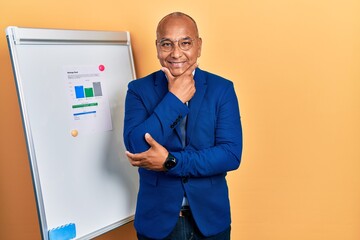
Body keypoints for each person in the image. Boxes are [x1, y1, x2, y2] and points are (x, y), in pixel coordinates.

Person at [123, 12, 243, 240]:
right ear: (157, 47)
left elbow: (230, 154)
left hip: (211, 221)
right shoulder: (138, 90)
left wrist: (171, 162)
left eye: (185, 43)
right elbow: (136, 148)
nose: (176, 53)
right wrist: (175, 100)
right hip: (157, 222)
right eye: (167, 44)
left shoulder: (222, 89)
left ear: (198, 46)